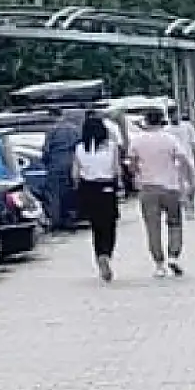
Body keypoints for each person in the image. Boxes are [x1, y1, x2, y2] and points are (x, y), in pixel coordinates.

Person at [128, 108, 195, 278]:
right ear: (162, 120)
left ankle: (159, 264)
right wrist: (189, 180)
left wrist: (137, 174)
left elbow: (132, 163)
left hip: (148, 187)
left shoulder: (137, 140)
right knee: (174, 223)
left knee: (153, 226)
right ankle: (173, 255)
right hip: (170, 187)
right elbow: (182, 159)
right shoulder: (169, 139)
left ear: (145, 120)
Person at [71, 114, 123, 282]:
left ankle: (99, 254)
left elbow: (75, 173)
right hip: (107, 187)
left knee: (96, 227)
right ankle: (107, 254)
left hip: (88, 188)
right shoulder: (111, 147)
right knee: (110, 226)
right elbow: (116, 170)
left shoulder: (79, 148)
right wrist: (120, 185)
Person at [41, 108, 83, 232]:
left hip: (56, 165)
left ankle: (56, 221)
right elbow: (80, 145)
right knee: (70, 192)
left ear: (52, 116)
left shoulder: (51, 130)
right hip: (72, 163)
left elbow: (46, 150)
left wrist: (45, 161)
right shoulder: (74, 129)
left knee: (54, 194)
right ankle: (70, 218)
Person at [168, 109, 195, 218]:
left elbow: (194, 142)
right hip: (175, 162)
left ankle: (190, 202)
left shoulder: (187, 126)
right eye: (172, 115)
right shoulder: (166, 130)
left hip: (189, 159)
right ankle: (187, 208)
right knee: (181, 187)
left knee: (193, 185)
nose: (175, 117)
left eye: (176, 114)